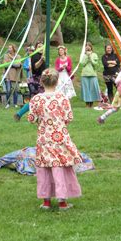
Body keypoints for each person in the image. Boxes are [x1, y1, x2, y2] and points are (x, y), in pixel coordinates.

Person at [27, 68, 82, 210]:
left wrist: (42, 120)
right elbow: (68, 117)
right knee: (60, 167)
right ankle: (62, 201)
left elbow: (32, 118)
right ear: (57, 81)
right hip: (60, 137)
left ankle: (46, 201)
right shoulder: (62, 98)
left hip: (44, 138)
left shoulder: (36, 99)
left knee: (45, 167)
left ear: (41, 82)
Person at [13, 41, 47, 122]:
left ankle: (19, 114)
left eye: (42, 46)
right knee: (37, 99)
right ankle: (25, 114)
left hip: (40, 80)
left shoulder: (40, 56)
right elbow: (35, 67)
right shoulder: (35, 55)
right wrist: (41, 61)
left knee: (36, 100)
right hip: (36, 81)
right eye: (39, 46)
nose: (40, 47)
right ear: (36, 48)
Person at [81, 42, 101, 108]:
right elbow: (82, 64)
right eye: (86, 46)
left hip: (92, 74)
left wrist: (90, 57)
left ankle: (91, 103)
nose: (87, 47)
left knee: (93, 89)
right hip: (84, 74)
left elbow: (95, 64)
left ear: (91, 47)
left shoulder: (94, 55)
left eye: (89, 45)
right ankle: (87, 104)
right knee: (86, 89)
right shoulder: (83, 55)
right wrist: (87, 57)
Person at [3, 44, 22, 108]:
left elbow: (18, 65)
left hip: (15, 76)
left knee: (15, 90)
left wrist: (10, 63)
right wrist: (13, 64)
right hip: (8, 75)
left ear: (14, 49)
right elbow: (5, 65)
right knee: (8, 90)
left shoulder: (18, 56)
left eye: (10, 48)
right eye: (8, 48)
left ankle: (15, 103)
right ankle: (8, 103)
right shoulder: (6, 56)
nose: (9, 49)